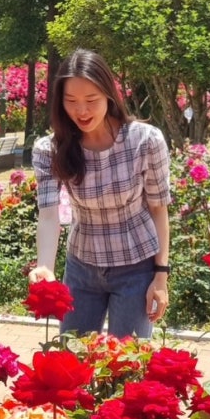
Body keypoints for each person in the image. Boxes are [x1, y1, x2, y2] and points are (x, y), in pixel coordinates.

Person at [29, 49, 171, 339]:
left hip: (136, 268)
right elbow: (48, 213)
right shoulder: (50, 149)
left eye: (91, 100)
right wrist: (44, 264)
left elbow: (158, 209)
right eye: (71, 102)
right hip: (81, 268)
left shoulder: (145, 140)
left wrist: (161, 276)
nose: (81, 111)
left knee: (126, 365)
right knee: (72, 357)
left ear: (109, 94)